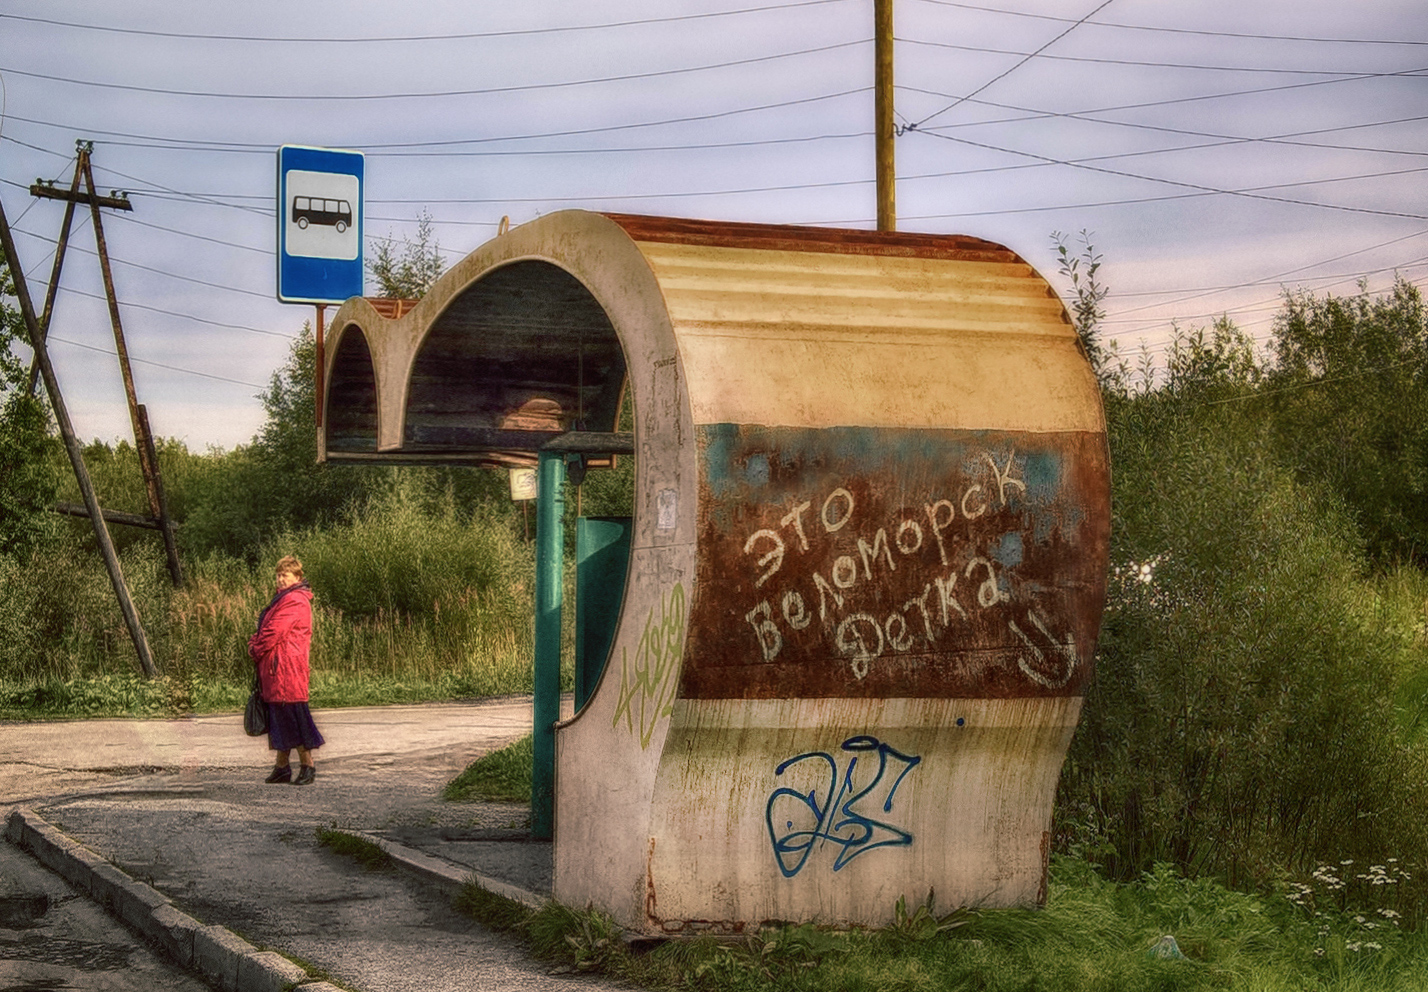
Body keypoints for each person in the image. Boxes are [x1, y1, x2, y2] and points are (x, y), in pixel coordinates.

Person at [248, 555, 324, 785]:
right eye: (278, 575)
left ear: (297, 577)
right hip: (279, 668)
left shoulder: (294, 600)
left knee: (292, 717)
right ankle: (282, 767)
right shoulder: (284, 599)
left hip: (286, 669)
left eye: (285, 575)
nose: (280, 579)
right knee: (281, 717)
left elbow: (273, 632)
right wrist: (257, 642)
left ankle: (308, 765)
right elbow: (266, 629)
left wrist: (254, 648)